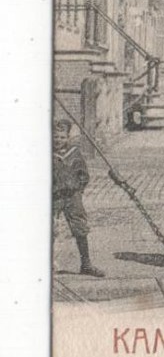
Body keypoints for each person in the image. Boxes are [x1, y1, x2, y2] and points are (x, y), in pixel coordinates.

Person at [52, 119, 104, 277]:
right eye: (56, 137)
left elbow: (83, 174)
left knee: (80, 229)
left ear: (68, 138)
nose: (59, 140)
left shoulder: (74, 153)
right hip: (54, 197)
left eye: (62, 137)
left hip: (72, 196)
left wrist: (79, 189)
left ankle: (86, 264)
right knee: (50, 230)